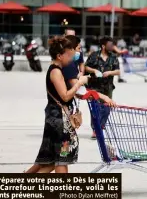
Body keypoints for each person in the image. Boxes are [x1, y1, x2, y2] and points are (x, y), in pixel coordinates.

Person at [25, 36, 89, 173]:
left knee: (54, 159)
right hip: (59, 123)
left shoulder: (56, 69)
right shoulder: (56, 72)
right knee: (61, 158)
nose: (72, 59)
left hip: (57, 120)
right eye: (69, 56)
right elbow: (65, 95)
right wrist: (79, 83)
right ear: (59, 56)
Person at [85, 36, 120, 139]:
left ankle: (101, 125)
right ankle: (95, 130)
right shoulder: (94, 55)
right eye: (109, 45)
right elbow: (86, 67)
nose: (111, 47)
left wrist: (110, 72)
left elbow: (118, 71)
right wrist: (94, 71)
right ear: (103, 46)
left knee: (106, 108)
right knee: (95, 109)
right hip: (95, 87)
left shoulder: (113, 57)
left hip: (107, 87)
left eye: (112, 45)